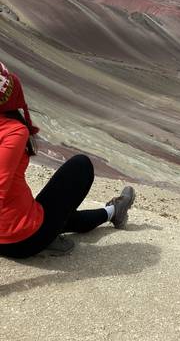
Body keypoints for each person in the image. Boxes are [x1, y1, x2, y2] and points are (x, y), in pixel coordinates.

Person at [0, 62, 136, 259]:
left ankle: (114, 211)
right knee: (80, 165)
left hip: (15, 229)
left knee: (60, 216)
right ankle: (52, 237)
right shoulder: (14, 131)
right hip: (21, 239)